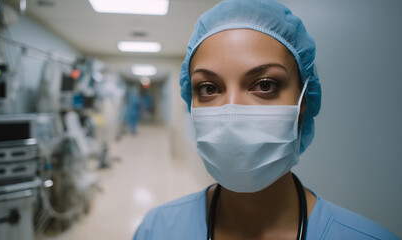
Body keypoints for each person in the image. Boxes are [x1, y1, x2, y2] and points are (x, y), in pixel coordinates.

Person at [133, 0, 399, 239]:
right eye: (209, 88)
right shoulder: (157, 229)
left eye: (264, 84)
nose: (232, 112)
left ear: (303, 100)